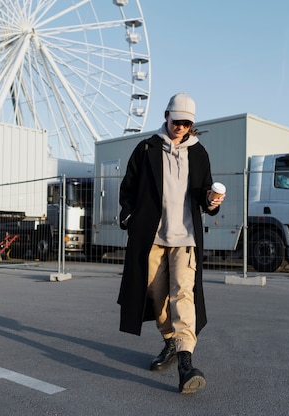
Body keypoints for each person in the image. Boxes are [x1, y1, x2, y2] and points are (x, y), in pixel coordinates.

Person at [117, 93, 224, 394]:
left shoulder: (199, 153)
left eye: (187, 123)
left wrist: (212, 201)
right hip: (151, 237)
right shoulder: (146, 148)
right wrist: (129, 218)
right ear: (166, 116)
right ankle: (171, 343)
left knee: (183, 296)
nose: (181, 127)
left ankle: (186, 364)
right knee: (157, 298)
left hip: (185, 238)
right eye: (176, 121)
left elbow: (204, 195)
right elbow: (128, 189)